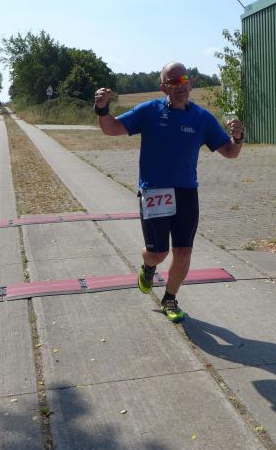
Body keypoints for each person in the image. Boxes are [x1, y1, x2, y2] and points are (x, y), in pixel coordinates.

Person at [93, 62, 244, 322]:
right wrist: (102, 109)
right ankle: (148, 266)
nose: (179, 86)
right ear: (164, 87)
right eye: (172, 82)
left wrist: (238, 138)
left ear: (191, 82)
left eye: (183, 79)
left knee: (183, 252)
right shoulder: (150, 111)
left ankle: (170, 298)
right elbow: (111, 128)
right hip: (154, 191)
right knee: (158, 253)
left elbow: (230, 152)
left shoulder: (202, 118)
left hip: (187, 193)